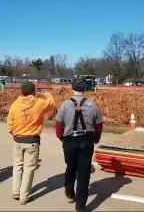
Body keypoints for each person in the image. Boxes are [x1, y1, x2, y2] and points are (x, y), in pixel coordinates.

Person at [55, 79, 103, 212]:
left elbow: (58, 124)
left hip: (69, 140)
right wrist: (96, 138)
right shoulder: (92, 105)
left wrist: (61, 137)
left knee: (70, 167)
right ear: (84, 89)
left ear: (72, 88)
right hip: (86, 141)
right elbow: (98, 125)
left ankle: (70, 193)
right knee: (84, 172)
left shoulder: (65, 105)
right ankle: (80, 206)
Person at [7, 81, 56, 205]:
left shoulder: (15, 104)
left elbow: (10, 123)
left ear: (21, 91)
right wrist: (47, 94)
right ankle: (24, 197)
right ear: (33, 91)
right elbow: (51, 104)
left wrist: (15, 132)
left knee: (18, 166)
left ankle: (16, 192)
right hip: (32, 141)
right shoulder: (39, 103)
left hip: (18, 140)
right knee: (29, 168)